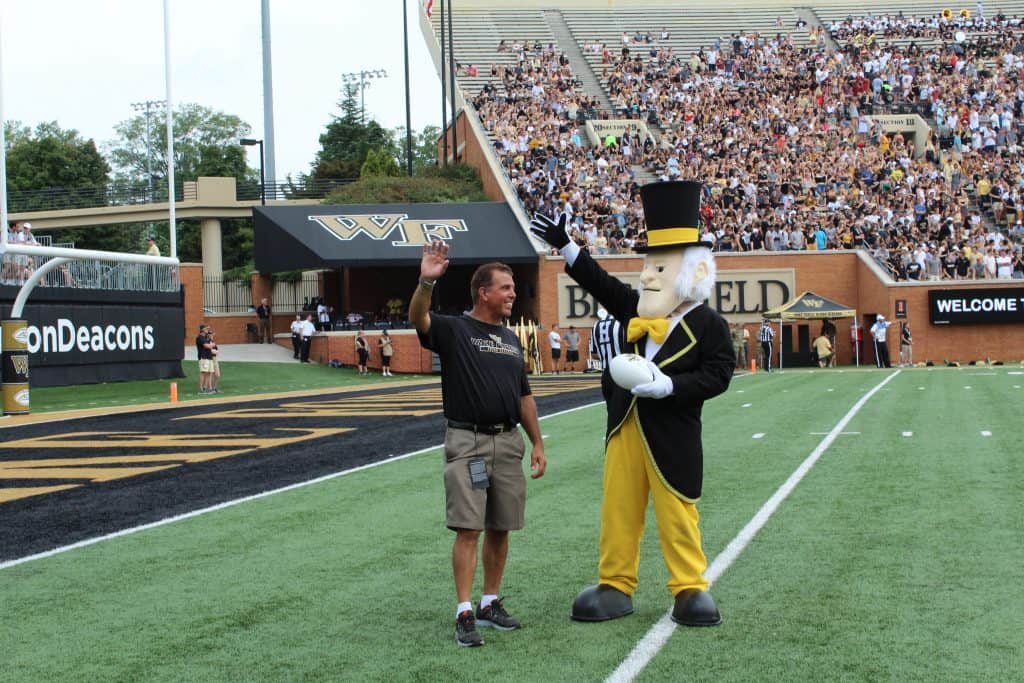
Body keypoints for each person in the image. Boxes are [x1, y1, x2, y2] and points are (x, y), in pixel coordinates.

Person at [531, 179, 734, 628]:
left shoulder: (708, 324)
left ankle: (689, 586)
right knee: (618, 508)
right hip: (624, 425)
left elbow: (719, 374)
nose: (646, 275)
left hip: (672, 434)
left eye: (659, 269)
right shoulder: (638, 311)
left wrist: (669, 387)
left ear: (695, 274)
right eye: (648, 266)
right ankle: (615, 583)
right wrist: (567, 246)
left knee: (676, 509)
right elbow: (602, 284)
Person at [409, 241, 547, 648]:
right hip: (467, 441)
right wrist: (426, 282)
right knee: (469, 527)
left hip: (508, 441)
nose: (512, 294)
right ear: (483, 292)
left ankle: (489, 602)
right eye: (505, 288)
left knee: (501, 526)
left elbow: (524, 396)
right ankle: (464, 610)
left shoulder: (510, 339)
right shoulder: (455, 329)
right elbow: (419, 318)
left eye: (512, 288)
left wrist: (537, 441)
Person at [196, 325, 214, 394]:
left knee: (209, 373)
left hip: (209, 357)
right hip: (203, 358)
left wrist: (211, 344)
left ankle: (205, 388)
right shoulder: (200, 338)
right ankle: (201, 389)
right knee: (203, 373)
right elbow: (207, 346)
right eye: (206, 329)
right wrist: (211, 345)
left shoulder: (205, 338)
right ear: (202, 330)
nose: (207, 330)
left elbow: (212, 344)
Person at [208, 329, 221, 393]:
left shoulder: (212, 341)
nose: (212, 335)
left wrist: (216, 351)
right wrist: (215, 351)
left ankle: (214, 388)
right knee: (211, 374)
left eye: (213, 334)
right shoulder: (207, 341)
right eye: (211, 334)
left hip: (215, 359)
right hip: (211, 358)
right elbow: (210, 351)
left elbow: (216, 351)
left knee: (217, 375)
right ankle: (210, 388)